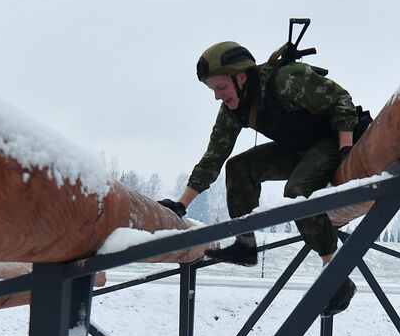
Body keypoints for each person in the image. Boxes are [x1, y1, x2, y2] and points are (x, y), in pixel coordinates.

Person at [158, 39, 368, 317]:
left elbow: (342, 102)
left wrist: (345, 150)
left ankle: (337, 274)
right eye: (212, 90)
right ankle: (245, 245)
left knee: (297, 191)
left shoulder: (285, 81)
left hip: (331, 139)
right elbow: (214, 157)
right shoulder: (234, 111)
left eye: (221, 87)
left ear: (241, 77)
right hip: (298, 149)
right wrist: (181, 204)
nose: (218, 96)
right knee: (239, 168)